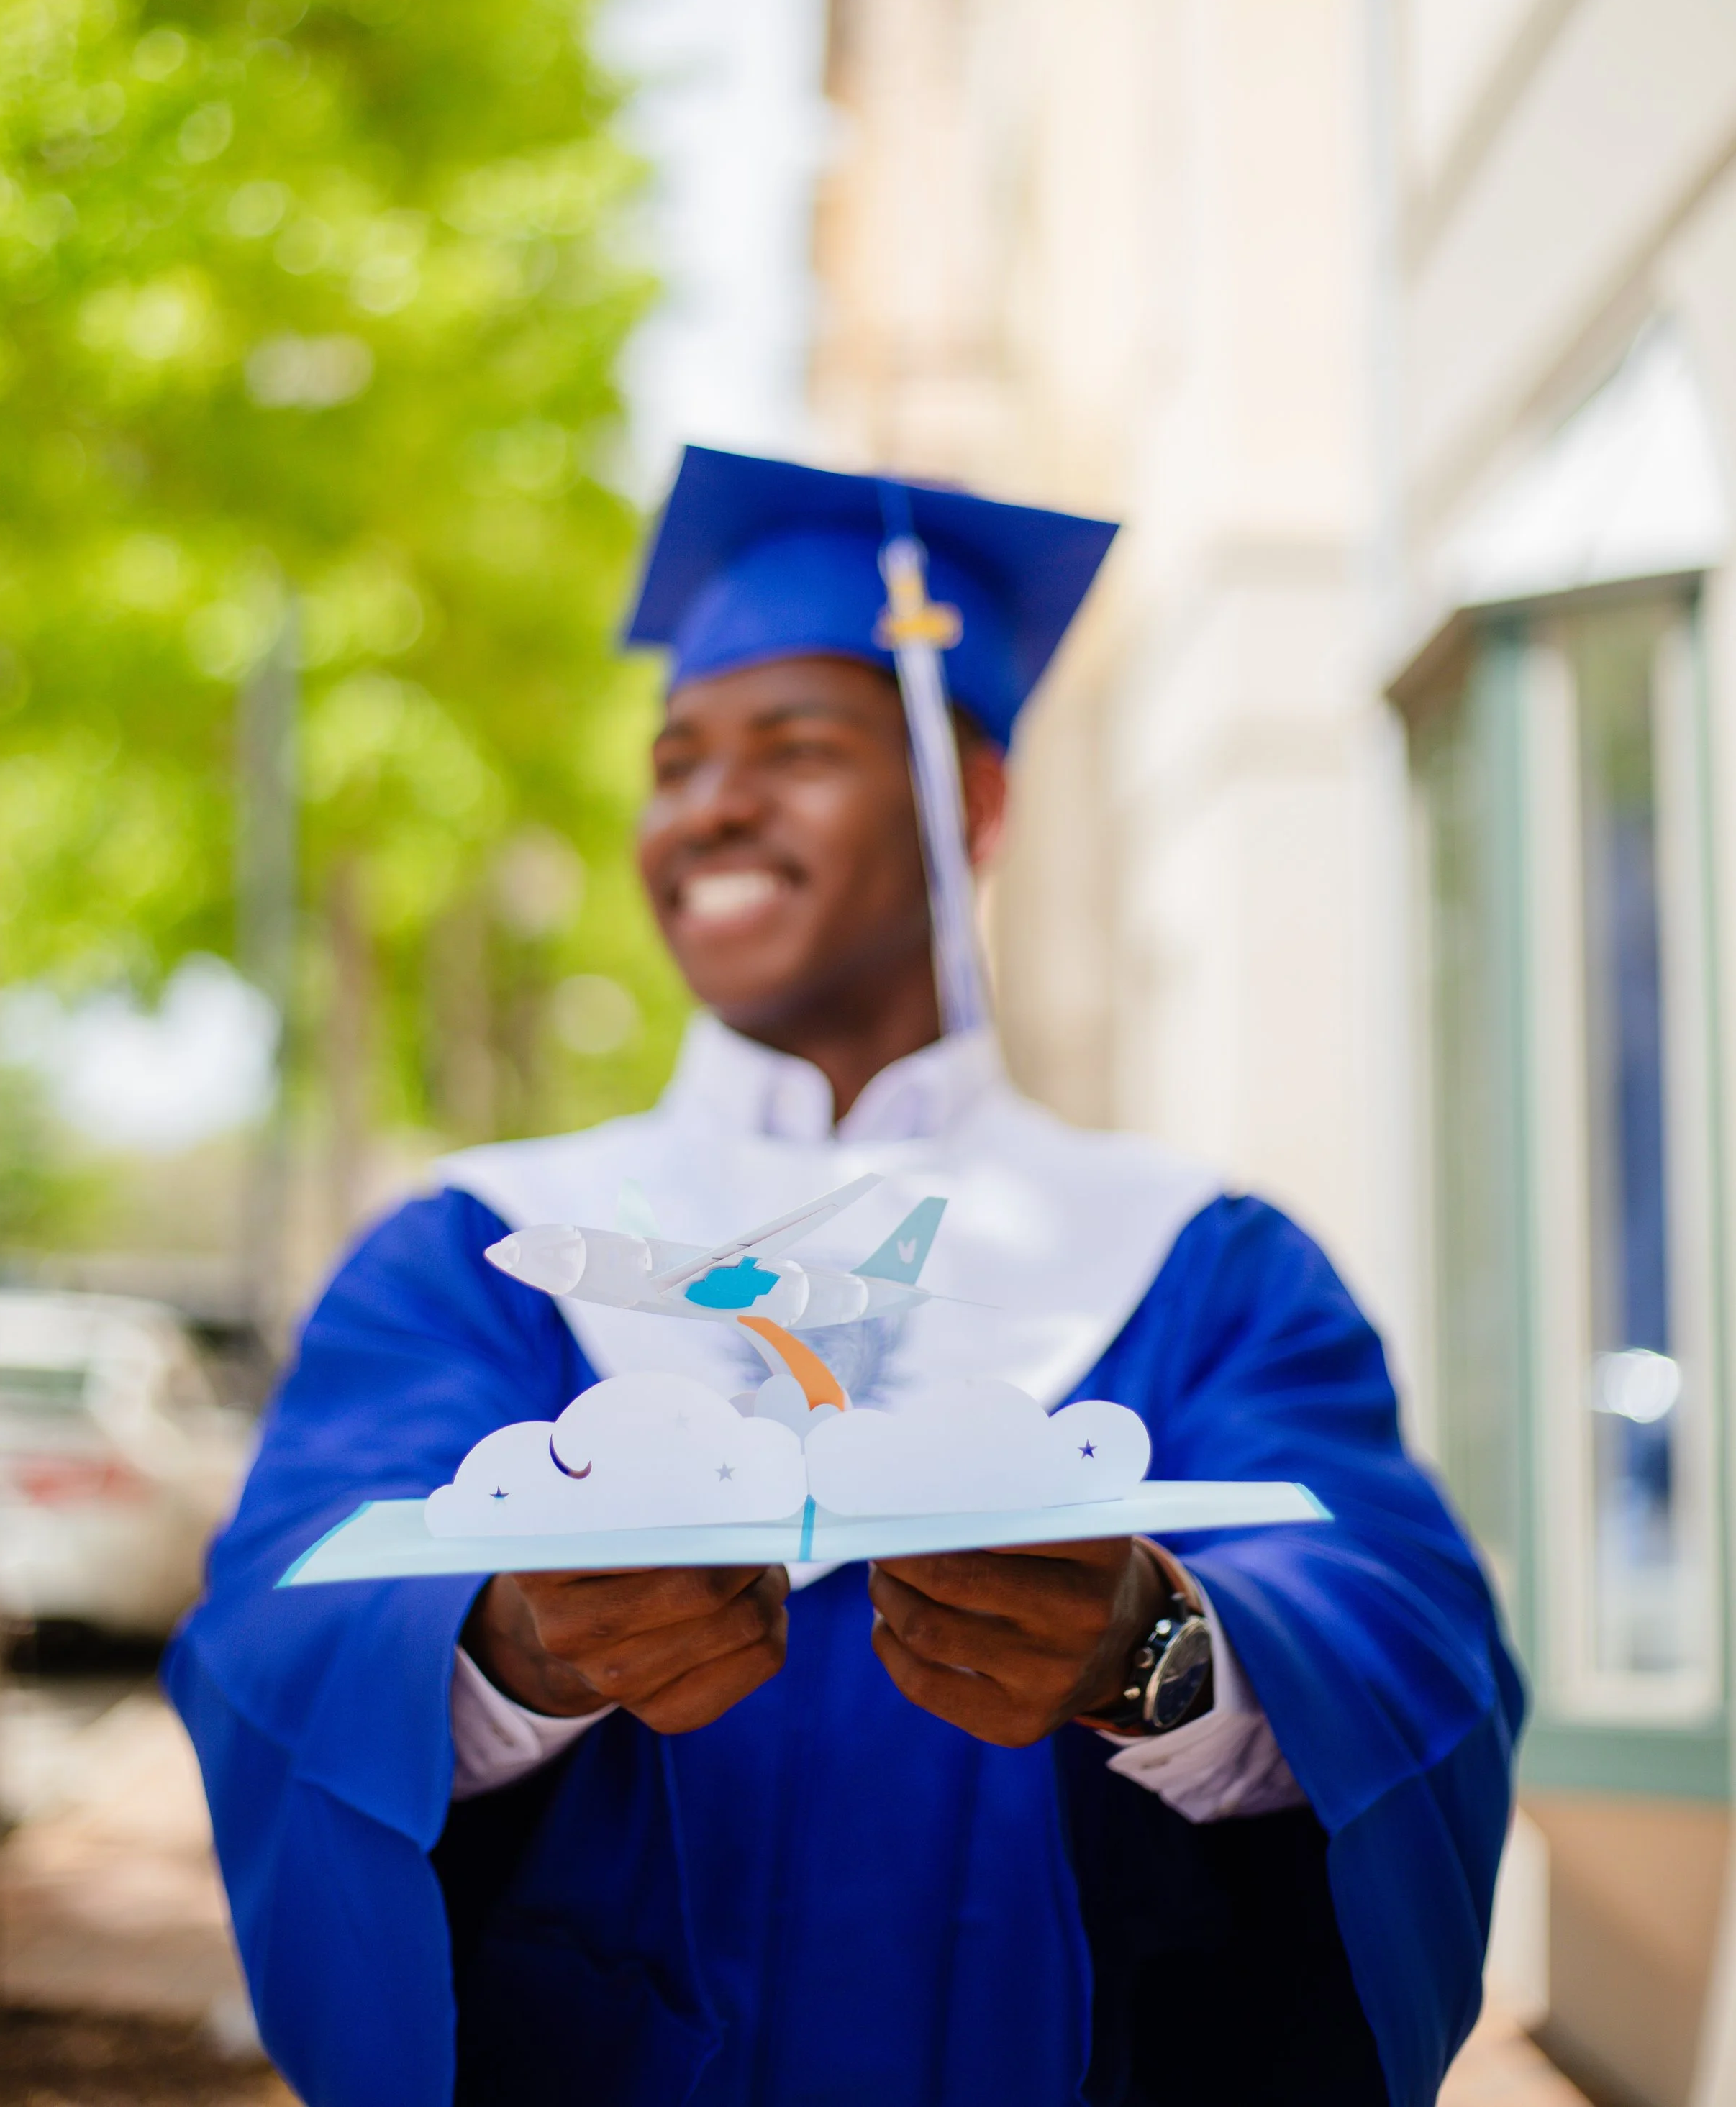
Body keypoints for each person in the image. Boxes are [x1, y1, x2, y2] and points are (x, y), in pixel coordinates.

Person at [167, 447, 1522, 2107]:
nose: (708, 806)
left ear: (978, 809)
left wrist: (1157, 1647)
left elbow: (1400, 1620)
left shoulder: (1203, 1255)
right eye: (673, 765)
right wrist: (515, 1645)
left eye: (794, 749)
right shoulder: (471, 1252)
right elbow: (277, 1623)